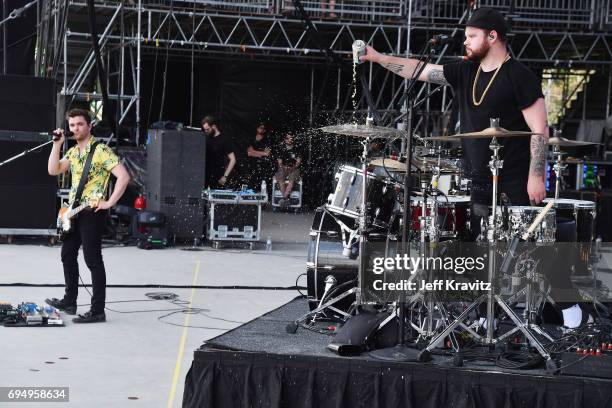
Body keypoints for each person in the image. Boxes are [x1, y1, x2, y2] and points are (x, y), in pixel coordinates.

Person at [362, 8, 589, 328]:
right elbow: (420, 70)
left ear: (492, 37)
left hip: (515, 179)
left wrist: (536, 175)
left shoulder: (519, 76)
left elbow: (540, 129)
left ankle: (570, 309)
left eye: (471, 36)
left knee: (539, 245)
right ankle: (487, 316)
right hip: (479, 179)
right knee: (484, 249)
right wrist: (378, 57)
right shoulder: (465, 71)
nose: (465, 42)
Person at [46, 108, 130, 323]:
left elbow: (123, 176)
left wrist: (109, 202)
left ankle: (97, 310)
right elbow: (53, 170)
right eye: (72, 125)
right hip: (73, 211)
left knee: (92, 260)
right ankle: (70, 300)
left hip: (92, 211)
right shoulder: (74, 152)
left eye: (80, 124)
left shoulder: (101, 150)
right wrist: (57, 145)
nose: (75, 128)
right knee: (67, 255)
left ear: (89, 126)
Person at [202, 115, 236, 189]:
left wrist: (225, 176)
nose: (206, 131)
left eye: (208, 129)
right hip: (204, 175)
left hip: (218, 175)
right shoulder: (205, 138)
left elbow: (233, 159)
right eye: (205, 129)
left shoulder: (224, 139)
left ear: (214, 126)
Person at [275, 133, 301, 206]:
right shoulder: (281, 148)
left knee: (291, 180)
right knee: (280, 179)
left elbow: (298, 161)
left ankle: (284, 198)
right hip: (283, 167)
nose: (289, 140)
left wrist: (293, 167)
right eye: (287, 138)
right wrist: (284, 167)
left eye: (291, 138)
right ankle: (285, 199)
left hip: (294, 168)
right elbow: (279, 162)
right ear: (285, 139)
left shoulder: (297, 148)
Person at [246, 123, 273, 189]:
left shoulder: (267, 140)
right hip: (251, 162)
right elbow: (248, 153)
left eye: (263, 128)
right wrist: (260, 154)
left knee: (262, 179)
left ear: (265, 131)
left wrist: (254, 152)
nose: (262, 129)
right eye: (260, 127)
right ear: (257, 128)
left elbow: (267, 153)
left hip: (262, 163)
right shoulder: (251, 139)